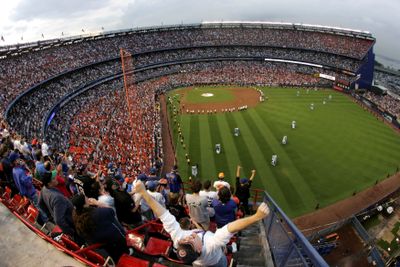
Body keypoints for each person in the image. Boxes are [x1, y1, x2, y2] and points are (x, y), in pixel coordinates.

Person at [133, 180, 270, 266]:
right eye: (191, 241)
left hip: (199, 263)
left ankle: (227, 249)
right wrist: (256, 217)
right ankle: (227, 249)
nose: (189, 237)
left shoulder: (178, 239)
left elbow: (163, 214)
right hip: (217, 262)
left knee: (220, 248)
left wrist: (145, 194)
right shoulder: (211, 243)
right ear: (198, 249)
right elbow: (230, 228)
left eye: (185, 240)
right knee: (222, 256)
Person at [71, 193, 128, 262]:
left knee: (113, 253)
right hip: (111, 239)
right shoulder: (97, 213)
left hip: (99, 242)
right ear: (84, 203)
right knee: (120, 251)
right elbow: (111, 211)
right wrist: (97, 203)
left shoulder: (76, 214)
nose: (88, 198)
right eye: (86, 198)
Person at [39, 171, 76, 237]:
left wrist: (50, 215)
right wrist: (70, 232)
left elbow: (40, 203)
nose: (56, 178)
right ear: (49, 183)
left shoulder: (44, 188)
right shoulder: (57, 198)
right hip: (70, 222)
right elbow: (59, 220)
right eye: (53, 178)